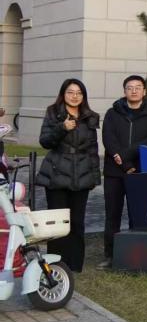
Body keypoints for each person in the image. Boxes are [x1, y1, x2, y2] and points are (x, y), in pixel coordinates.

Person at [36, 79, 100, 272]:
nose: (74, 96)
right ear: (63, 94)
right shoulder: (53, 112)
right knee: (57, 222)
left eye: (79, 93)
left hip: (82, 174)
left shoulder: (90, 117)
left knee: (77, 221)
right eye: (70, 92)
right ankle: (56, 264)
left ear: (83, 96)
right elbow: (45, 141)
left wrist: (94, 177)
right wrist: (62, 128)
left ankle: (75, 264)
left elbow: (93, 149)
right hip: (57, 173)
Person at [100, 75, 147, 267]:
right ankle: (111, 255)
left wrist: (126, 155)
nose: (134, 91)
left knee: (138, 214)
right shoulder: (113, 113)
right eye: (130, 87)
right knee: (112, 214)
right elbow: (108, 138)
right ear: (124, 91)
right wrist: (124, 162)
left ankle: (138, 255)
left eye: (138, 87)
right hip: (114, 171)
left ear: (144, 91)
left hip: (140, 169)